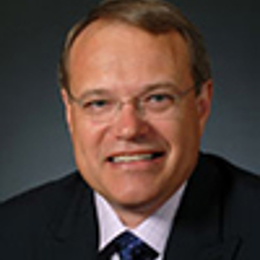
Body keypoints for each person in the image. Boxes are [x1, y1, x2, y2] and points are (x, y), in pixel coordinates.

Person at [1, 0, 259, 259]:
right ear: (70, 113)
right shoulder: (11, 234)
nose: (129, 129)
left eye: (157, 98)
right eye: (99, 103)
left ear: (201, 106)